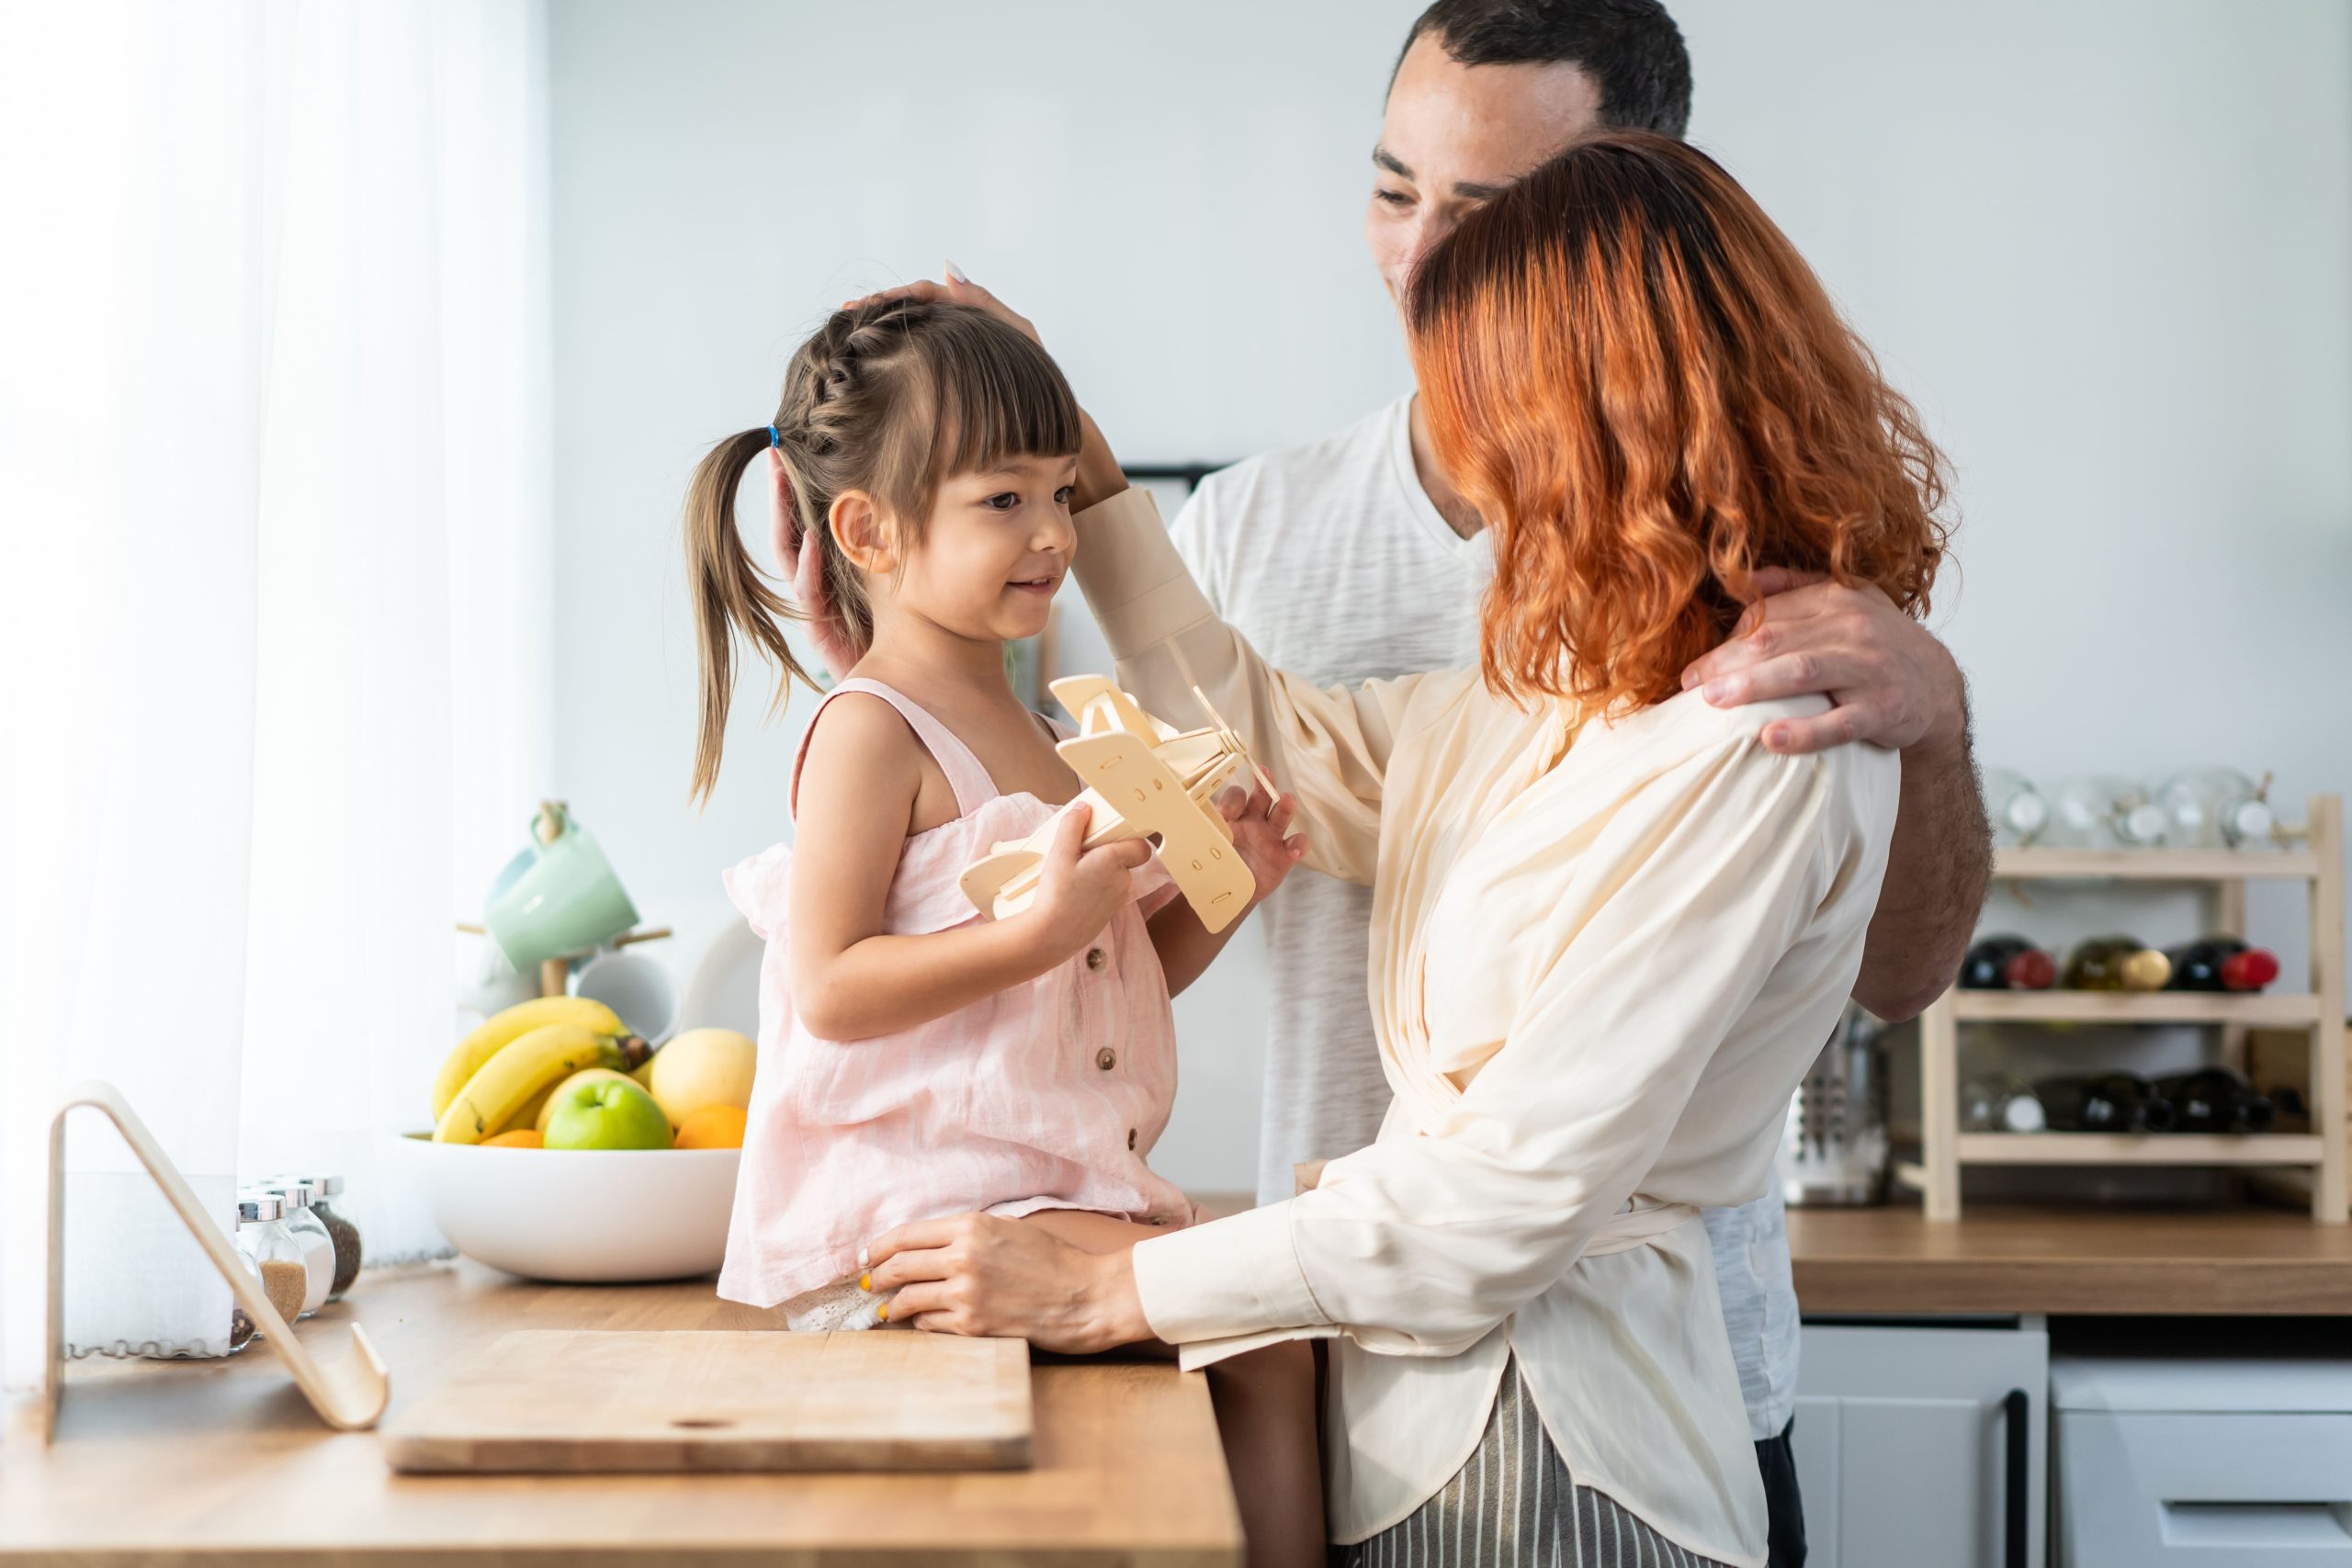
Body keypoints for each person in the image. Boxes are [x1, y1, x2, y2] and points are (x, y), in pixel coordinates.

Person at [864, 128, 1951, 1568]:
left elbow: (1500, 1207)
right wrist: (1099, 488)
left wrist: (1115, 1288)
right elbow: (1266, 734)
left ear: (1593, 423)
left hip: (1574, 1458)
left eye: (1481, 407)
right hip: (1421, 1437)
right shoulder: (1562, 690)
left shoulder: (1768, 741)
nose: (1464, 455)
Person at [1165, 6, 1989, 1562]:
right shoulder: (1275, 541)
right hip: (1334, 1354)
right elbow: (1221, 768)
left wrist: (1934, 724)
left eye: (1486, 216)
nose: (1419, 258)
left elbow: (1897, 977)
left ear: (1628, 223)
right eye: (1394, 189)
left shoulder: (1782, 670)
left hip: (1617, 1386)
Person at [680, 299, 1324, 1566]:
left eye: (1059, 496)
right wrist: (1036, 933)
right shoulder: (872, 732)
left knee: (1272, 1336)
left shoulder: (1042, 734)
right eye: (1003, 503)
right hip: (910, 1218)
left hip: (1040, 1199)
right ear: (867, 531)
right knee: (1266, 1331)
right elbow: (831, 987)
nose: (1051, 535)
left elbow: (1110, 975)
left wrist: (1228, 886)